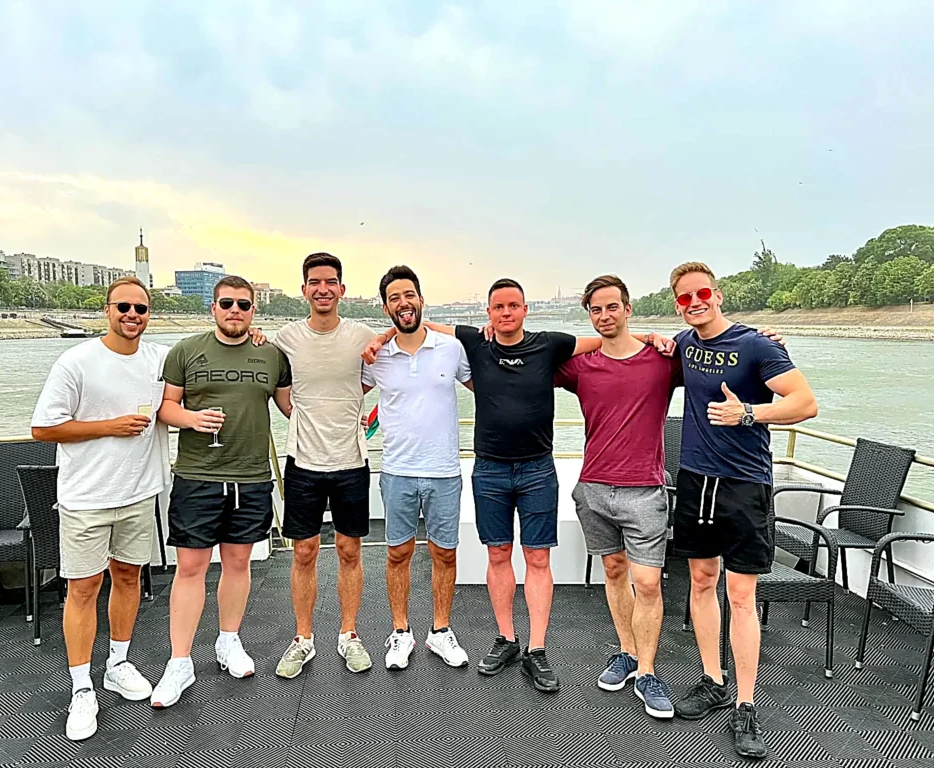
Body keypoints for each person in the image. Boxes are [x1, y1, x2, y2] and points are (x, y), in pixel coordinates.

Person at [363, 277, 674, 693]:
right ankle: (507, 639)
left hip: (537, 470)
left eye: (513, 306)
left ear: (525, 309)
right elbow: (424, 326)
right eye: (498, 307)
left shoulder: (550, 344)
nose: (506, 313)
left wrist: (650, 336)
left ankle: (537, 649)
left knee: (538, 560)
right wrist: (383, 333)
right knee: (498, 555)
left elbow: (603, 340)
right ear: (488, 314)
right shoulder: (476, 342)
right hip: (490, 469)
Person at [554, 275, 786, 719]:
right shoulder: (579, 367)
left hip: (646, 488)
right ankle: (625, 652)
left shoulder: (665, 360)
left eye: (612, 307)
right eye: (596, 310)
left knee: (648, 583)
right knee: (614, 571)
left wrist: (765, 338)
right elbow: (533, 359)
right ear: (589, 315)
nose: (605, 315)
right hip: (594, 487)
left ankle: (647, 671)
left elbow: (718, 351)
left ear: (628, 308)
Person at [668, 262, 817, 759]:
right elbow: (650, 352)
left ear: (719, 294)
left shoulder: (757, 344)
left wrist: (749, 412)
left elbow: (805, 402)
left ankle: (746, 704)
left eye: (702, 293)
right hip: (695, 480)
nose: (695, 302)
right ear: (677, 303)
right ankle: (712, 679)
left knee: (741, 593)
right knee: (702, 580)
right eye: (685, 297)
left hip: (744, 484)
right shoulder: (686, 345)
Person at [30, 276, 168, 741]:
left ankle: (118, 663)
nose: (132, 315)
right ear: (107, 310)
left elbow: (203, 363)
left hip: (137, 493)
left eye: (141, 309)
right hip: (87, 498)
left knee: (128, 577)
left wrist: (254, 336)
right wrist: (108, 426)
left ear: (149, 315)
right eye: (124, 307)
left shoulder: (159, 359)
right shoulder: (77, 361)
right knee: (84, 588)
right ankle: (81, 687)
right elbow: (44, 428)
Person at [151, 276, 292, 707]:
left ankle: (228, 641)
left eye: (244, 305)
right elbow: (166, 407)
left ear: (254, 311)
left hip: (250, 476)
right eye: (227, 303)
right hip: (198, 475)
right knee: (190, 567)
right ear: (213, 308)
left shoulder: (272, 355)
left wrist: (353, 403)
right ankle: (179, 661)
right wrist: (191, 420)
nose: (236, 310)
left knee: (238, 562)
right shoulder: (185, 351)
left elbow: (292, 407)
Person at [270, 253, 379, 678]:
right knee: (304, 552)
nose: (322, 289)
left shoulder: (361, 335)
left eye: (330, 281)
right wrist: (299, 417)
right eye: (314, 282)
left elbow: (382, 371)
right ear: (304, 290)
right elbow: (280, 389)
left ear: (342, 289)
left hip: (351, 460)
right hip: (303, 462)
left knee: (350, 551)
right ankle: (303, 639)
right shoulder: (286, 338)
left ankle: (349, 635)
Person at [360, 265, 473, 670]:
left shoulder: (451, 349)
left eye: (409, 295)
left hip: (444, 471)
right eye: (394, 298)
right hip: (397, 471)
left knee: (445, 553)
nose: (403, 304)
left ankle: (440, 631)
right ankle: (401, 632)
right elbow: (341, 389)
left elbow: (491, 386)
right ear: (386, 306)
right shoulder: (376, 356)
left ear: (421, 300)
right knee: (397, 553)